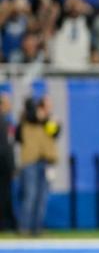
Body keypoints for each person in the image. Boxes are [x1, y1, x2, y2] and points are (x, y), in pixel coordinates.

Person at [15, 96, 61, 236]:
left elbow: (55, 132)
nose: (49, 108)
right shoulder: (27, 119)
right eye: (47, 105)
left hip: (46, 162)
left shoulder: (49, 120)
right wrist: (37, 114)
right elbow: (27, 121)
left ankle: (37, 228)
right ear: (39, 106)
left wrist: (46, 118)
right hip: (30, 161)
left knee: (42, 197)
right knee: (30, 195)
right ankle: (24, 227)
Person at [0, 93, 15, 231]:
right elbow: (6, 147)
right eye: (7, 103)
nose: (9, 105)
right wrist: (11, 166)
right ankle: (4, 223)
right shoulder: (4, 122)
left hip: (5, 165)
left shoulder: (7, 122)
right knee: (3, 195)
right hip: (3, 165)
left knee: (5, 194)